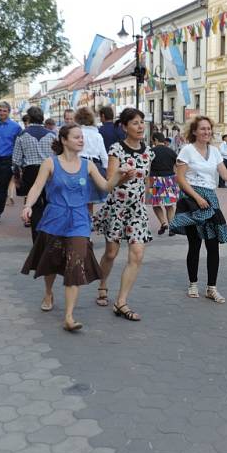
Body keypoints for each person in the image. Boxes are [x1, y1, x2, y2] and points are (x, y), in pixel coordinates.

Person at [21, 123, 134, 332]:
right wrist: (28, 205)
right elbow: (36, 187)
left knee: (75, 264)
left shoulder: (88, 165)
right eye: (76, 137)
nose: (81, 140)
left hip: (80, 220)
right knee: (53, 261)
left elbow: (106, 186)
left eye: (82, 137)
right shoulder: (50, 163)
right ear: (64, 140)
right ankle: (48, 292)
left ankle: (69, 316)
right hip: (54, 219)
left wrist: (119, 175)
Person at [170, 116, 227, 305]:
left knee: (213, 244)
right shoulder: (187, 150)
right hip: (191, 199)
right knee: (195, 244)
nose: (207, 132)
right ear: (194, 132)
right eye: (202, 129)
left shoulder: (215, 151)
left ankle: (211, 288)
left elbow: (225, 175)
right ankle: (193, 283)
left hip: (210, 199)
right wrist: (197, 198)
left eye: (209, 129)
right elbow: (180, 179)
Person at [93, 108, 153, 322]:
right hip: (117, 208)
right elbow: (109, 183)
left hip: (136, 210)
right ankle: (102, 284)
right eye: (135, 123)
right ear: (124, 126)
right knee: (111, 253)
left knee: (137, 254)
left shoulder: (148, 152)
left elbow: (146, 181)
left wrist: (146, 200)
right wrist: (124, 179)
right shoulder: (116, 150)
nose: (139, 126)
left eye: (141, 122)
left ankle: (121, 302)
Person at [13, 106, 57, 242]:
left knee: (35, 205)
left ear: (29, 118)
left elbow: (16, 160)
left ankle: (37, 240)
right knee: (50, 202)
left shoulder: (22, 135)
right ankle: (51, 236)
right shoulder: (52, 135)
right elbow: (57, 154)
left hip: (30, 171)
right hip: (49, 170)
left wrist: (17, 176)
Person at [76, 107, 109, 214]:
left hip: (78, 165)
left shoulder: (76, 133)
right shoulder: (97, 135)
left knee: (79, 196)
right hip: (94, 166)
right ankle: (89, 218)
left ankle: (81, 219)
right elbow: (104, 156)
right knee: (90, 198)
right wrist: (106, 171)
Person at [148, 131, 179, 235]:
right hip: (169, 179)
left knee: (155, 204)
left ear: (156, 140)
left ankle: (163, 223)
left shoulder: (151, 151)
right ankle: (171, 226)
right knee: (169, 205)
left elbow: (146, 167)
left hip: (155, 180)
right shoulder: (171, 151)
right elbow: (177, 165)